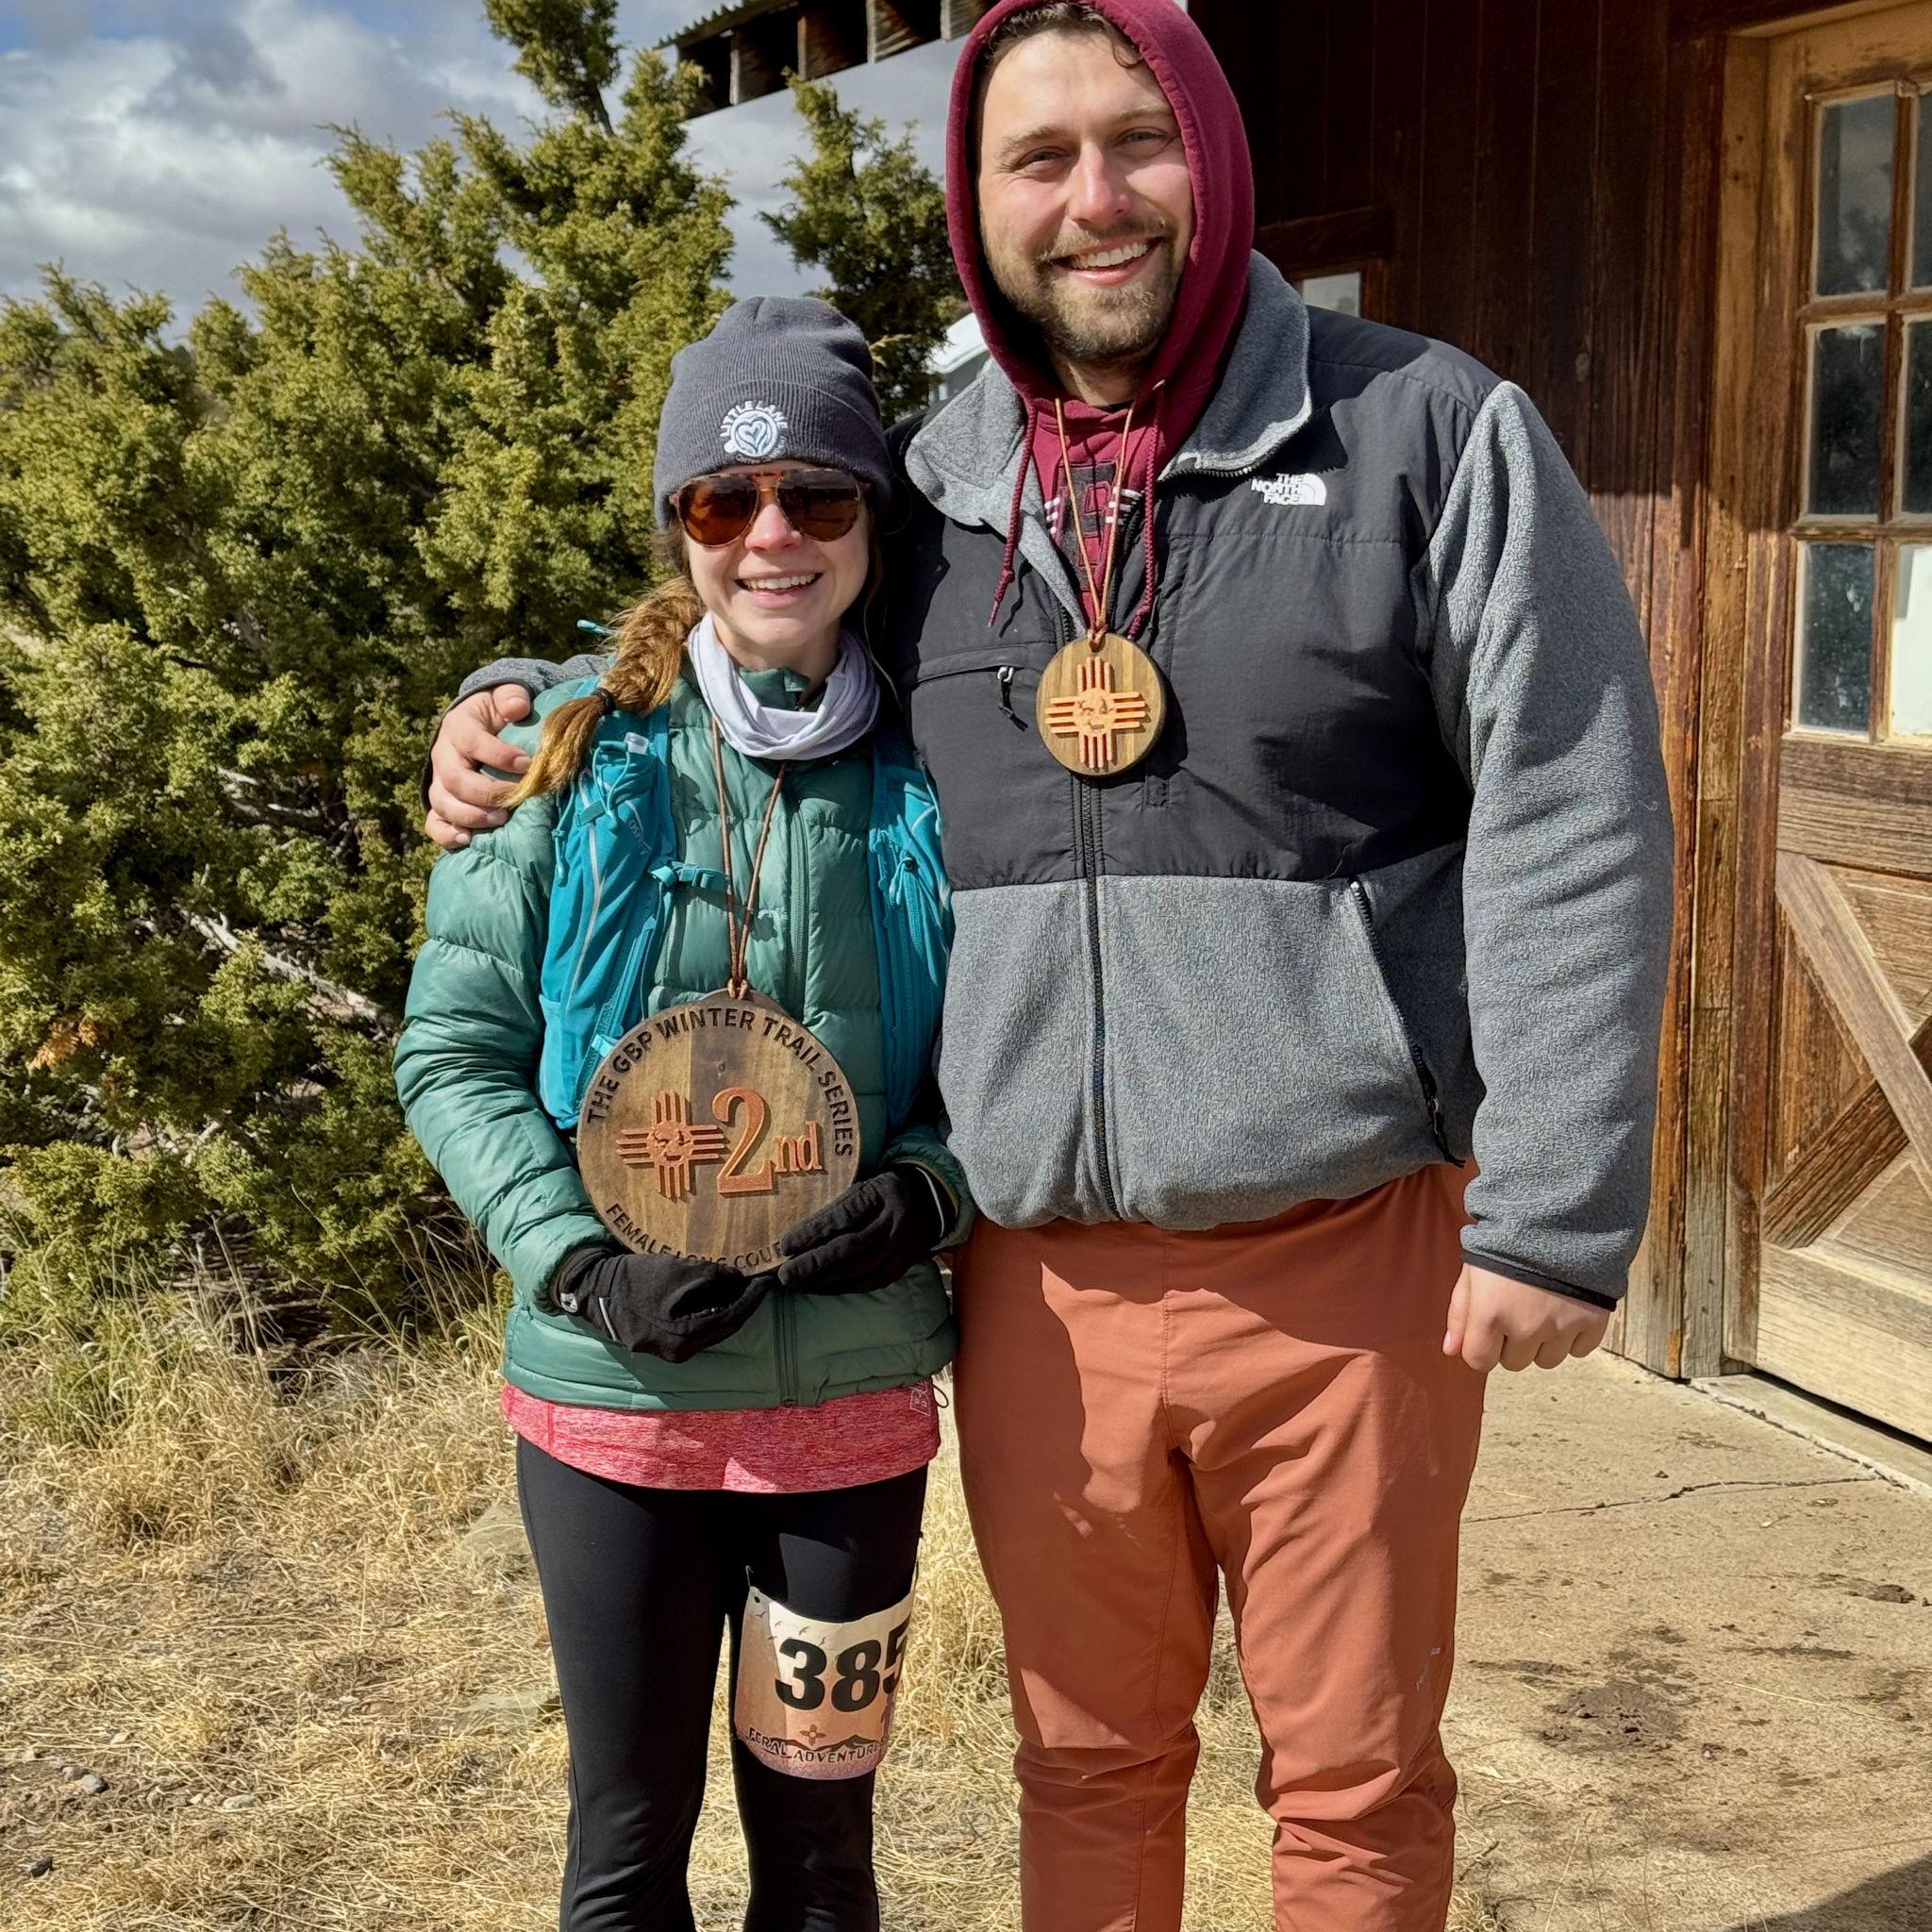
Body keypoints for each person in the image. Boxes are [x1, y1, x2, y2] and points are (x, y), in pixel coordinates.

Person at [422, 3, 1675, 1928]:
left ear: (1215, 155)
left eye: (1135, 139)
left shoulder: (1424, 429)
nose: (1093, 197)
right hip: (1032, 1286)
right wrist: (519, 710)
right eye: (1036, 157)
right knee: (1085, 1761)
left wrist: (1557, 1206)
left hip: (1344, 1260)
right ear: (976, 204)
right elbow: (761, 632)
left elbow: (1571, 793)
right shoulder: (926, 498)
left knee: (1348, 1780)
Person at [394, 295, 972, 1932]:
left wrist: (927, 1192)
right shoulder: (557, 752)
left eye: (818, 496)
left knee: (819, 1862)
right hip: (610, 1417)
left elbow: (1010, 1061)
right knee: (627, 1848)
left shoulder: (946, 769)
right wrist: (577, 1265)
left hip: (847, 1424)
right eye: (725, 502)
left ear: (873, 519)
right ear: (680, 527)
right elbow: (454, 1052)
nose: (770, 535)